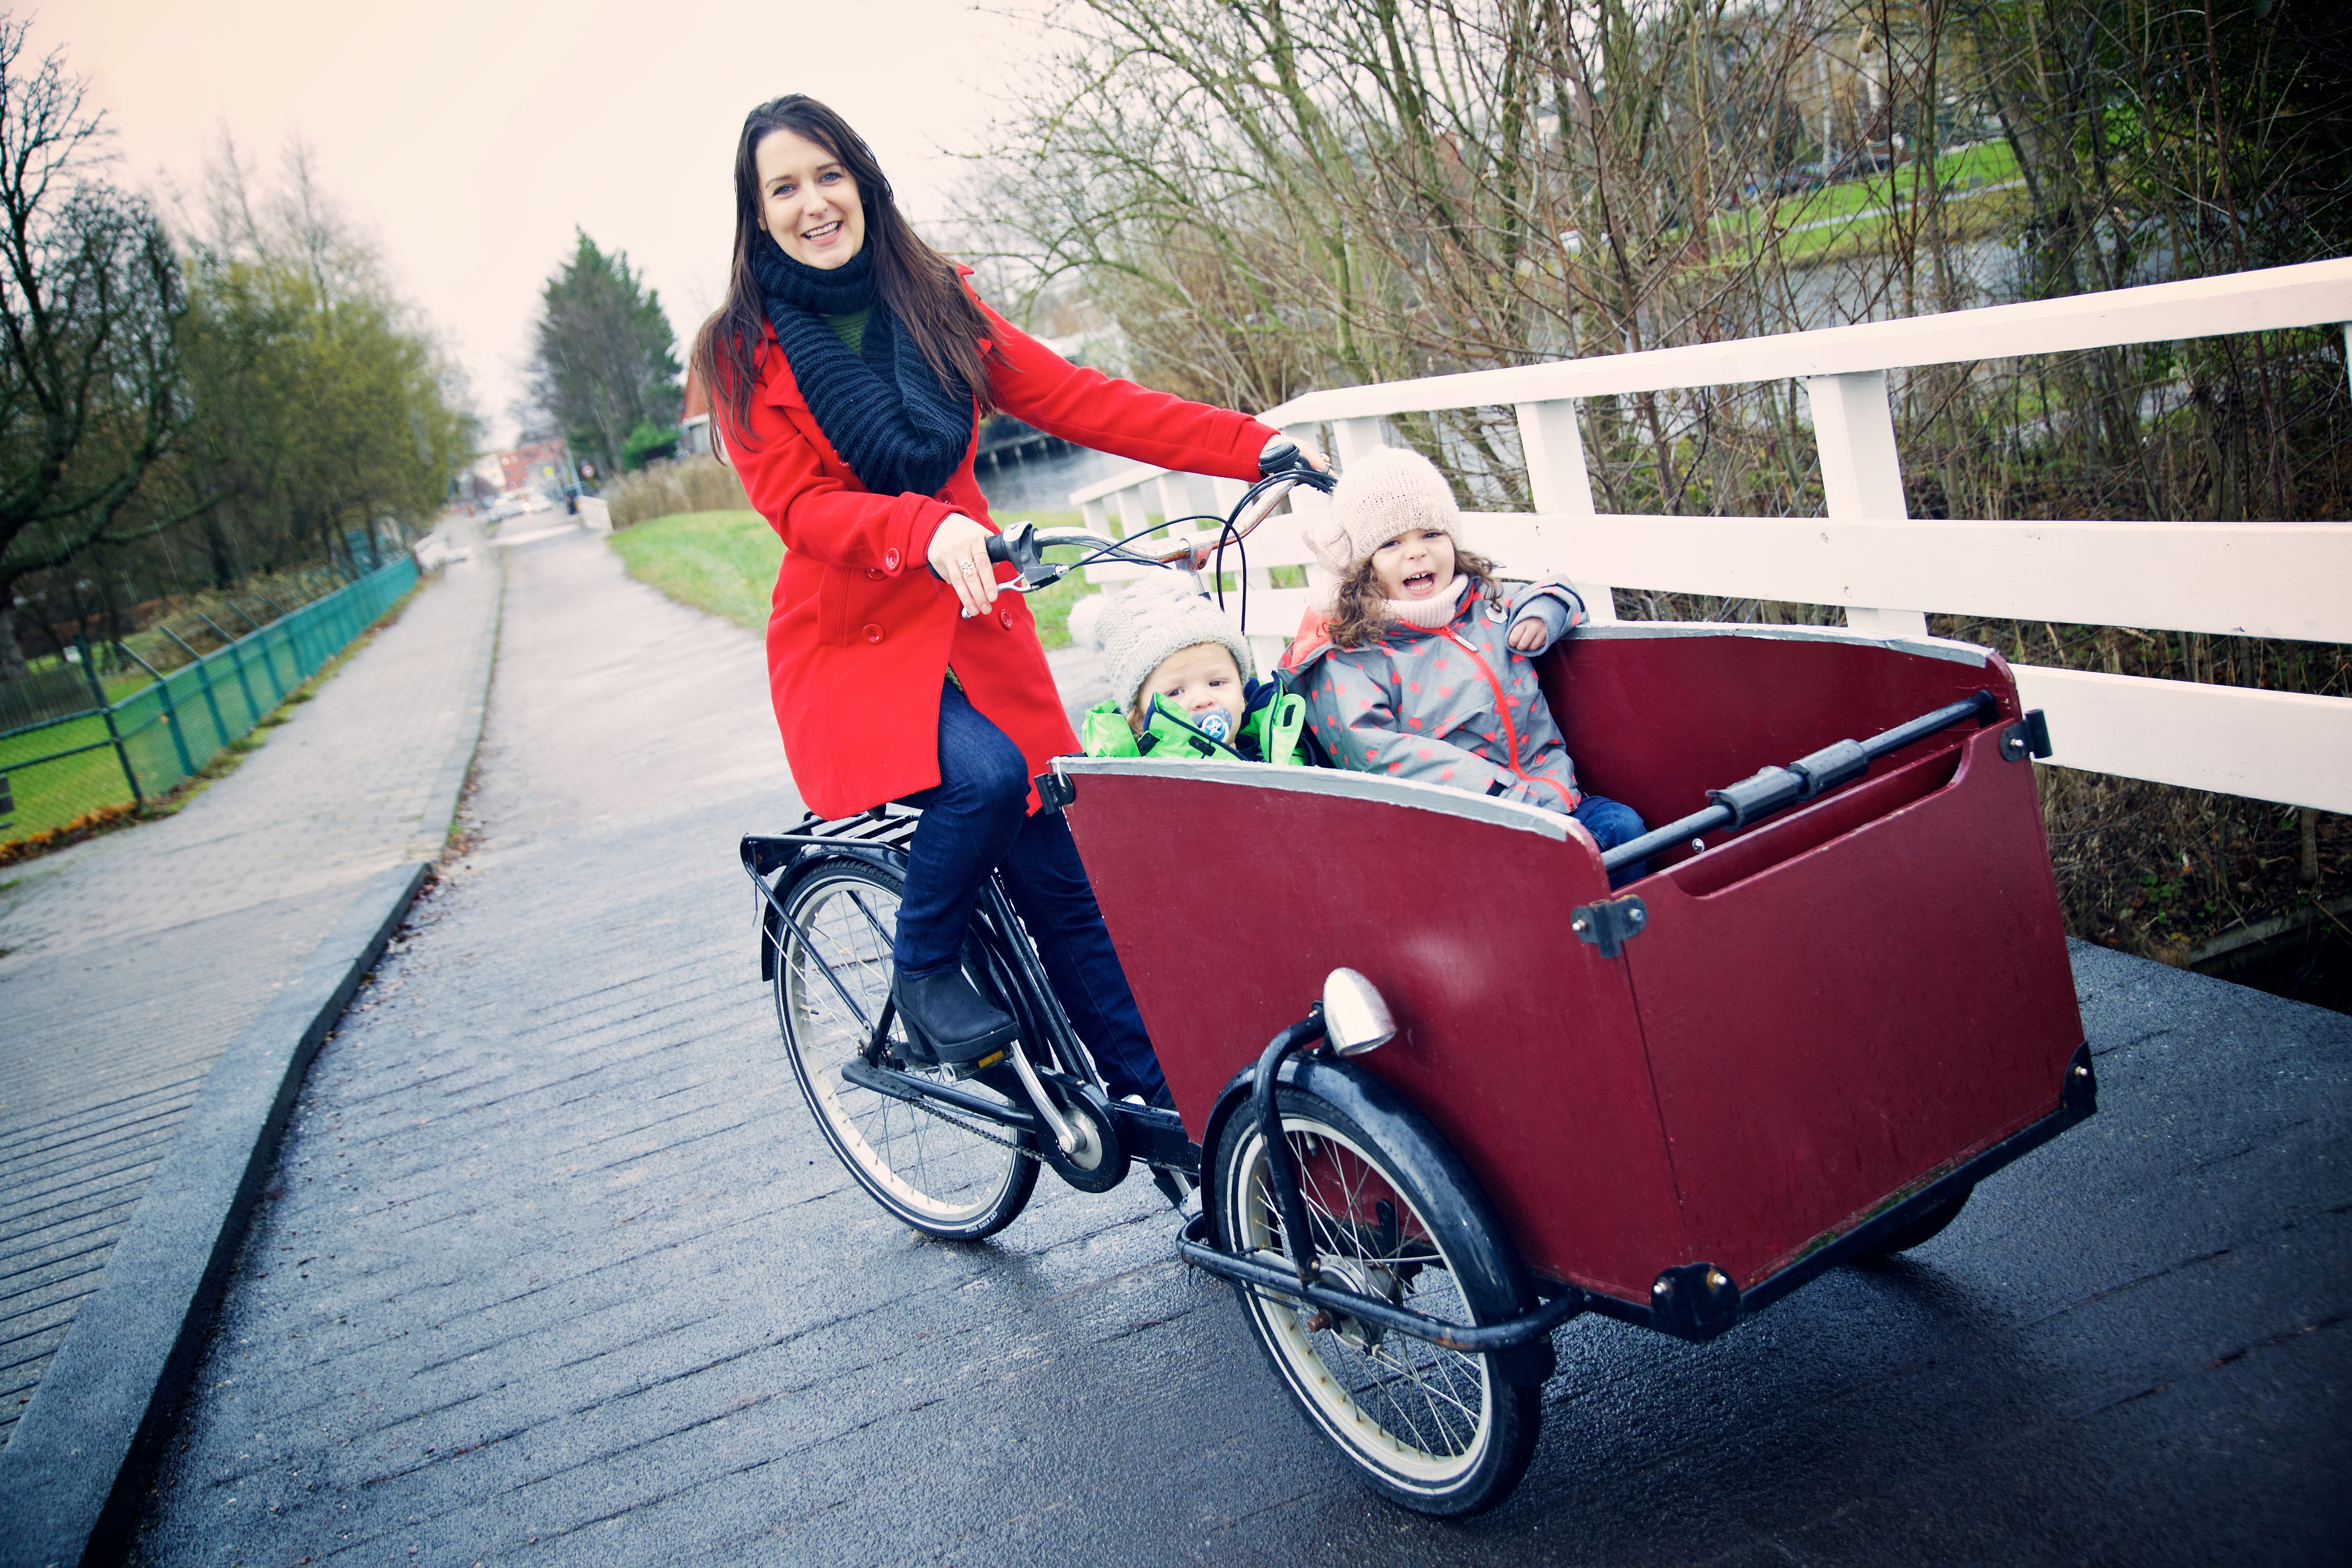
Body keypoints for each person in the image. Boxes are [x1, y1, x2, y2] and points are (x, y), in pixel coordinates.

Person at [694, 94, 1320, 1098]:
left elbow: (1079, 400)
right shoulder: (739, 354)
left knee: (1067, 889)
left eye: (827, 176)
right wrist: (922, 526)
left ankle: (1173, 1138)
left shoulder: (934, 300)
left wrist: (1251, 447)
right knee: (981, 776)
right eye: (784, 187)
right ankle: (923, 963)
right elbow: (801, 512)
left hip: (974, 618)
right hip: (849, 640)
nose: (813, 202)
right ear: (754, 212)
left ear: (860, 181)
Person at [1288, 445, 1650, 884]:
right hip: (1466, 830)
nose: (1417, 553)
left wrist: (1544, 611)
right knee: (1523, 886)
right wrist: (1498, 791)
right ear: (1363, 568)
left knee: (1625, 830)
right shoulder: (1352, 655)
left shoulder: (1484, 603)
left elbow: (1553, 589)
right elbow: (1374, 752)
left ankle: (1622, 940)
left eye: (1432, 535)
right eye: (1392, 543)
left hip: (1557, 794)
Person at [1076, 577, 1307, 765]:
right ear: (1139, 720)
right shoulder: (1150, 782)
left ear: (1243, 698)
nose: (1203, 700)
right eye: (1175, 692)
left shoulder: (1279, 744)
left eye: (1216, 683)